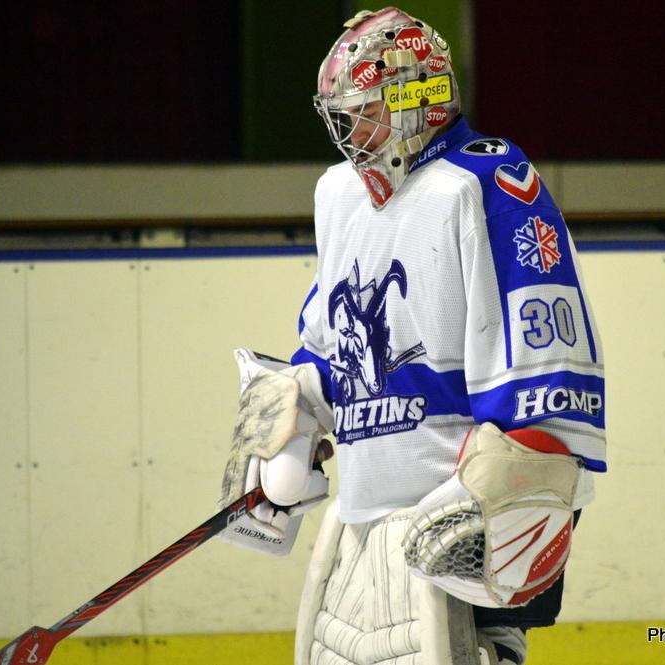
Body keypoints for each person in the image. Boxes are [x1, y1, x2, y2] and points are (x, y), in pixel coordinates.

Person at [219, 7, 606, 664]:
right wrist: (291, 420)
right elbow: (332, 342)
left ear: (416, 100)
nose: (350, 131)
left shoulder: (485, 184)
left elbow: (547, 356)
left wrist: (518, 492)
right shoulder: (339, 195)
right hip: (361, 525)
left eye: (364, 111)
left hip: (451, 529)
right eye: (342, 115)